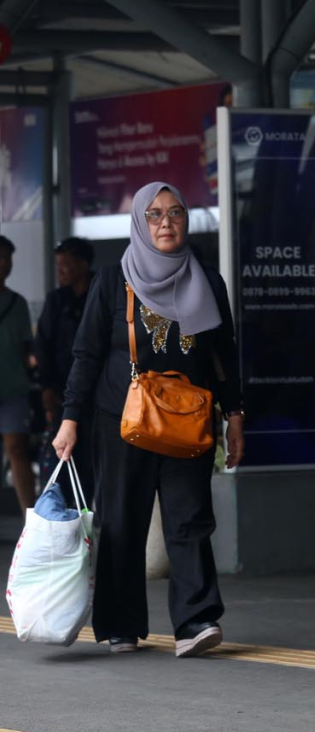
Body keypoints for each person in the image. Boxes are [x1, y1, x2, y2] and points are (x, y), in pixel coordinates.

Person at [52, 182, 244, 657]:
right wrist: (70, 419)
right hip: (122, 421)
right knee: (120, 520)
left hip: (189, 420)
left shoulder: (207, 279)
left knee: (190, 520)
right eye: (155, 215)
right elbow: (88, 353)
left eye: (175, 213)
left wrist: (234, 414)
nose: (165, 223)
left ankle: (195, 621)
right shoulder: (112, 280)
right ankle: (121, 624)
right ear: (139, 222)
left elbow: (224, 358)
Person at [37, 237, 97, 500]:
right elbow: (43, 346)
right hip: (62, 391)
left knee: (95, 457)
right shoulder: (56, 300)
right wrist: (46, 386)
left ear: (83, 265)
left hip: (98, 393)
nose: (60, 271)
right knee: (65, 455)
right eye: (58, 265)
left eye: (66, 265)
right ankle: (67, 517)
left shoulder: (100, 291)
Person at [0, 236, 35, 513]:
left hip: (13, 388)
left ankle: (30, 519)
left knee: (16, 449)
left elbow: (26, 348)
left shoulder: (18, 303)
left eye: (8, 258)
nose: (4, 264)